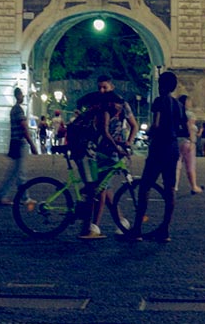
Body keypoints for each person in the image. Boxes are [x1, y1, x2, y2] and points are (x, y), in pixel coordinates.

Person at [124, 73, 187, 242]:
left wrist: (148, 134)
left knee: (145, 186)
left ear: (162, 85)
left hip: (160, 146)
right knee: (169, 188)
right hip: (173, 147)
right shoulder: (179, 104)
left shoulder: (160, 101)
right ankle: (165, 230)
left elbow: (157, 123)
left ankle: (137, 229)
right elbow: (182, 126)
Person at [70, 78, 133, 240]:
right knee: (103, 188)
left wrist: (127, 143)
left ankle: (95, 226)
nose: (101, 91)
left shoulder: (118, 104)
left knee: (102, 188)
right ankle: (119, 222)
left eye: (104, 87)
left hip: (111, 151)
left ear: (112, 87)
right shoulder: (101, 106)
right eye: (99, 88)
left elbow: (134, 124)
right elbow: (102, 131)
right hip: (100, 150)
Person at [0, 87, 31, 207]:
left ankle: (3, 196)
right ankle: (24, 197)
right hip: (20, 143)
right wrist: (32, 144)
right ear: (17, 95)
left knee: (14, 172)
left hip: (15, 142)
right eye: (21, 95)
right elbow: (24, 127)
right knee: (21, 173)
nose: (23, 97)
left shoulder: (14, 109)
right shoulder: (18, 110)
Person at [176, 101, 204, 196]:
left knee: (177, 165)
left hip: (177, 140)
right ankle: (194, 186)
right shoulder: (189, 114)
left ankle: (174, 186)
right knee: (190, 166)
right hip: (187, 141)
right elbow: (190, 127)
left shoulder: (175, 112)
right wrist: (192, 141)